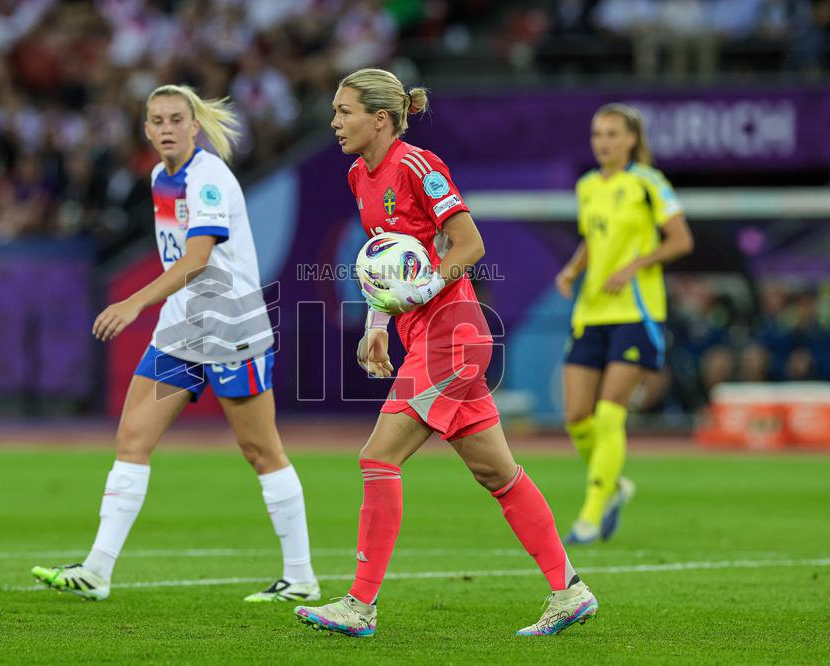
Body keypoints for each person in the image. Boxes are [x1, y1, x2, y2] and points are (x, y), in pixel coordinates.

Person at [293, 68, 597, 638]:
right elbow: (386, 261)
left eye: (344, 111)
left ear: (379, 118)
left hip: (453, 336)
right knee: (497, 474)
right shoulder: (359, 175)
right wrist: (379, 322)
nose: (334, 122)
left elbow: (470, 244)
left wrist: (426, 288)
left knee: (377, 457)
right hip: (425, 338)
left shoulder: (419, 165)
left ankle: (359, 605)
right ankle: (569, 590)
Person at [32, 84, 320, 604]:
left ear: (195, 125)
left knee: (260, 449)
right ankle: (97, 570)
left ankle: (301, 577)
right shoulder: (159, 177)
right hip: (183, 328)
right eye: (156, 120)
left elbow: (196, 261)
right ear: (146, 129)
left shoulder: (208, 177)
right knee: (133, 440)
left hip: (231, 324)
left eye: (175, 119)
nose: (166, 128)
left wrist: (132, 303)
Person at [555, 103, 694, 545]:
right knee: (577, 416)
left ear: (632, 138)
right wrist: (573, 269)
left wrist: (636, 265)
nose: (604, 142)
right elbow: (594, 240)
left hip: (636, 311)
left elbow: (681, 240)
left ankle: (590, 515)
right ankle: (613, 486)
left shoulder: (649, 182)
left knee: (610, 411)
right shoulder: (587, 186)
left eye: (613, 134)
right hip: (591, 311)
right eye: (598, 134)